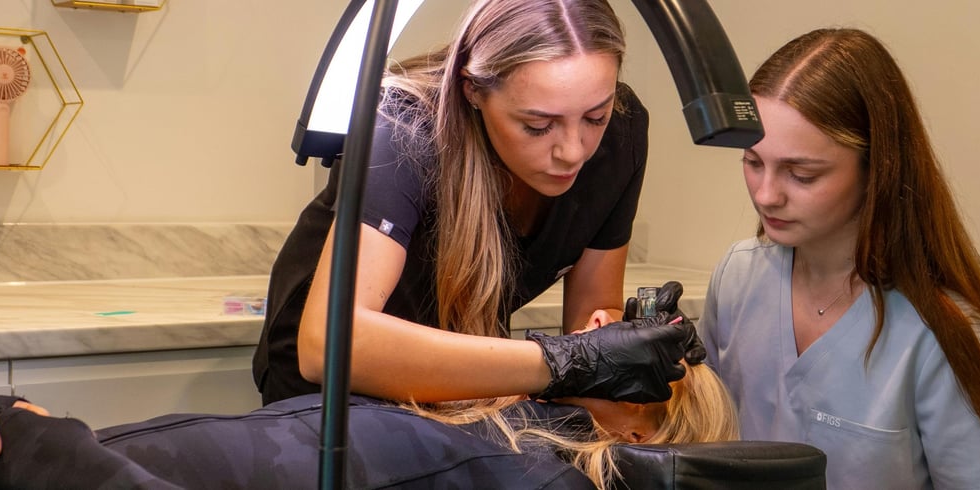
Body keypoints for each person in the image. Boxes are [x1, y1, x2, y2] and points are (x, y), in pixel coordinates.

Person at [253, 0, 701, 407]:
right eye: (537, 124)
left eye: (594, 117)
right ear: (472, 91)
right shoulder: (404, 128)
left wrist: (631, 341)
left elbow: (589, 316)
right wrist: (567, 360)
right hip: (333, 399)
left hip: (464, 388)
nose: (574, 151)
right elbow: (327, 345)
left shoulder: (620, 137)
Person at [698, 28, 980, 489]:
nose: (766, 195)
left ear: (877, 169)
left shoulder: (946, 335)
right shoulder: (739, 277)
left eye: (801, 174)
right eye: (753, 162)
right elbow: (699, 442)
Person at [0, 359, 735, 489]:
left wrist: (42, 450)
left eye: (641, 363)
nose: (599, 333)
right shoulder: (480, 420)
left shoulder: (529, 474)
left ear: (648, 434)